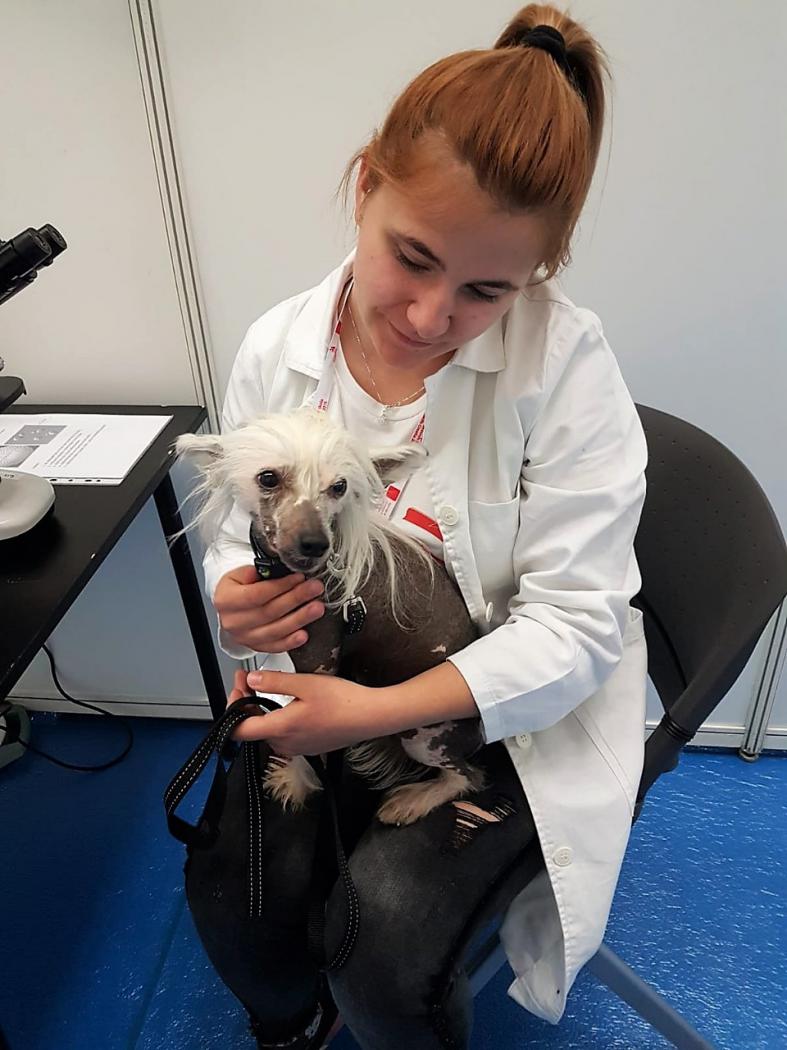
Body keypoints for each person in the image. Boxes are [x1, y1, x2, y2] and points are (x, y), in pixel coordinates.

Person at [192, 4, 649, 1048]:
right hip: (322, 680)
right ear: (364, 188)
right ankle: (287, 1024)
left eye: (487, 290)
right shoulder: (277, 345)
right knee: (239, 893)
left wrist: (373, 713)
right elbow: (233, 521)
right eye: (411, 257)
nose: (432, 316)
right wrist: (235, 595)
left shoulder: (565, 371)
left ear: (536, 275)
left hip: (497, 715)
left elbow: (577, 626)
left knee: (383, 946)